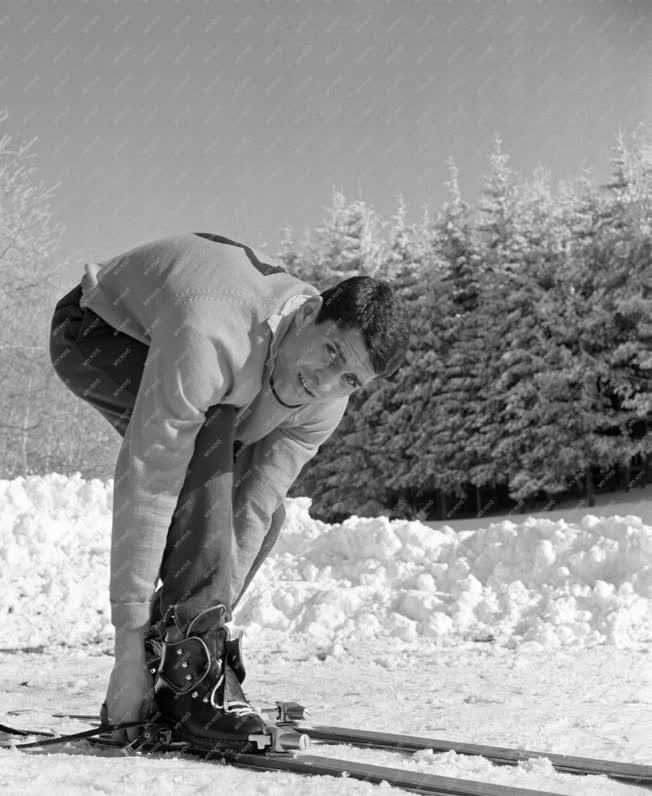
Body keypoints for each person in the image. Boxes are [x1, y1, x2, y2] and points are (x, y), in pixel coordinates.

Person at [49, 231, 409, 746]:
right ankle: (182, 665)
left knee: (265, 509)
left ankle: (186, 659)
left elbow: (255, 504)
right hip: (96, 328)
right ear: (308, 315)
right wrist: (128, 658)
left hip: (213, 371)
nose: (328, 382)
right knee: (206, 436)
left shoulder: (326, 401)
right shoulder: (212, 334)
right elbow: (151, 479)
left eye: (350, 379)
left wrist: (202, 635)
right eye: (330, 352)